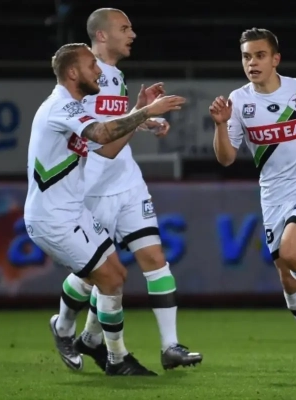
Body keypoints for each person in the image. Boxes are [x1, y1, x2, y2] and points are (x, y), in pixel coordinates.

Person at [50, 8, 203, 373]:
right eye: (124, 28)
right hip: (91, 187)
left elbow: (112, 124)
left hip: (127, 182)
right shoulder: (81, 80)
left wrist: (143, 116)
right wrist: (144, 113)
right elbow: (101, 141)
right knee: (95, 276)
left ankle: (169, 346)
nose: (132, 34)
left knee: (154, 258)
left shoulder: (116, 76)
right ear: (102, 35)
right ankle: (66, 327)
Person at [25, 42, 185, 375]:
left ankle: (66, 329)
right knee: (110, 279)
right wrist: (146, 111)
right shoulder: (60, 107)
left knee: (112, 275)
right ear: (73, 73)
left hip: (74, 211)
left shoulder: (74, 108)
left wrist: (138, 112)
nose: (98, 71)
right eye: (91, 66)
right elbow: (101, 132)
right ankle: (116, 358)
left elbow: (107, 148)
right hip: (53, 219)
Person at [209, 27, 296, 375]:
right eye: (246, 57)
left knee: (290, 252)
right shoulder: (238, 102)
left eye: (259, 56)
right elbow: (226, 158)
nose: (252, 63)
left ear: (276, 59)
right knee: (287, 278)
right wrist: (221, 125)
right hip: (273, 194)